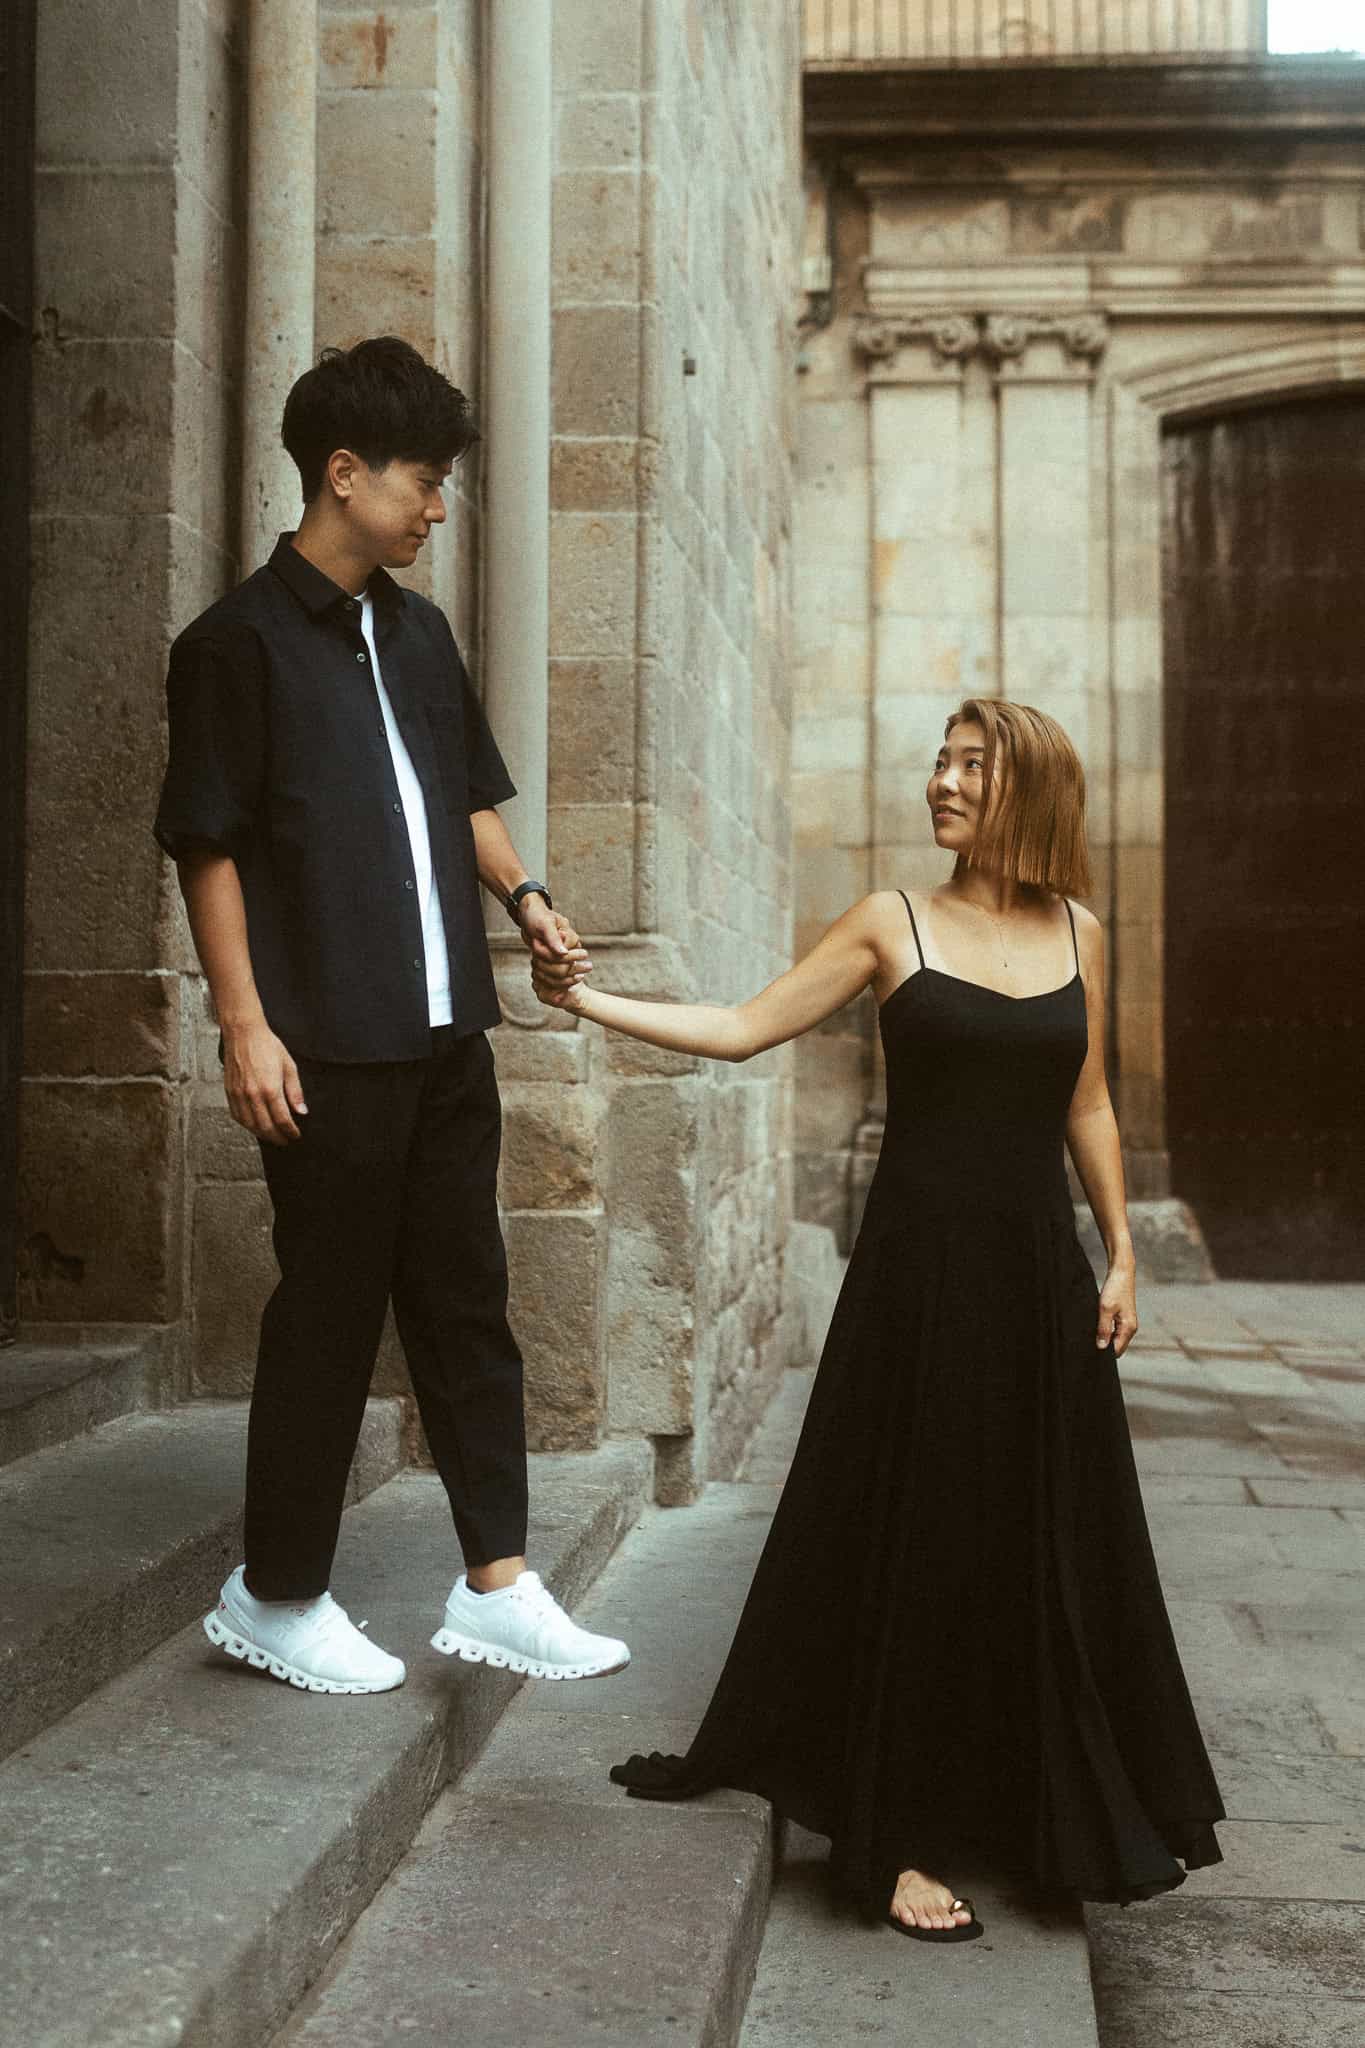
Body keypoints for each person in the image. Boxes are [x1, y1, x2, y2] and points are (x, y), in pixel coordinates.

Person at [532, 698, 1223, 1938]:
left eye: (972, 765)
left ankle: (1034, 1804)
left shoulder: (1081, 929)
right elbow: (743, 1027)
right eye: (941, 761)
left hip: (1040, 1281)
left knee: (1042, 1538)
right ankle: (896, 1834)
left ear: (1031, 792)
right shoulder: (890, 922)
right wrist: (586, 1006)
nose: (942, 782)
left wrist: (1120, 1252)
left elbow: (1090, 1104)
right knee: (927, 1533)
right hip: (918, 1283)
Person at [154, 336, 628, 1696]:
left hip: (441, 1036)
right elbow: (209, 846)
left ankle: (499, 1583)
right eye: (423, 483)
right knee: (329, 1313)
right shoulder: (232, 646)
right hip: (326, 1039)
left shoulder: (416, 634)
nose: (437, 509)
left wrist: (525, 894)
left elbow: (460, 791)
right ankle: (279, 1591)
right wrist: (242, 1023)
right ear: (343, 474)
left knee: (467, 1304)